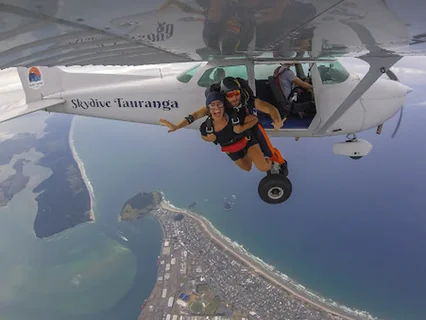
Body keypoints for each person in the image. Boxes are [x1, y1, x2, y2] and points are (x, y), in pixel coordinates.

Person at [160, 76, 288, 174]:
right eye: (230, 95)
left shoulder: (247, 99)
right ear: (224, 96)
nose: (235, 98)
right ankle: (251, 154)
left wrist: (277, 121)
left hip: (246, 129)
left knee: (264, 154)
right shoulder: (217, 105)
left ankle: (276, 160)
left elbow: (270, 109)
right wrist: (177, 126)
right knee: (247, 167)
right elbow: (193, 116)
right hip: (230, 140)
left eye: (237, 93)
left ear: (241, 92)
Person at [200, 91, 272, 172]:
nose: (216, 109)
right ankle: (251, 154)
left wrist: (242, 128)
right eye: (212, 106)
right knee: (247, 167)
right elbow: (203, 135)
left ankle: (271, 161)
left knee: (264, 167)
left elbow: (254, 119)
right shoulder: (206, 126)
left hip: (246, 139)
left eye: (219, 105)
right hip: (231, 148)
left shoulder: (232, 115)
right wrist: (209, 139)